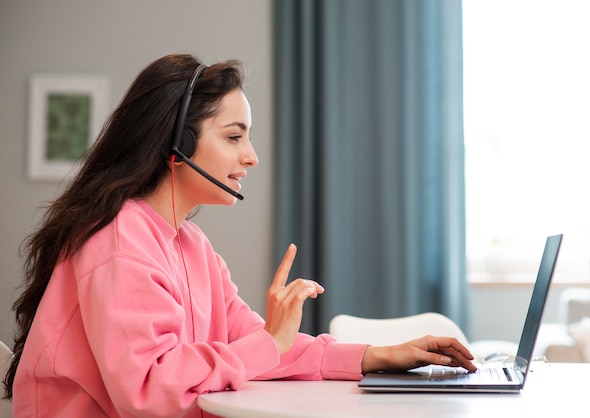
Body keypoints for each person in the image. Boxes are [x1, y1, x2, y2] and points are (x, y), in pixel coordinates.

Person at [4, 53, 476, 417]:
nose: (251, 157)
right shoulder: (119, 242)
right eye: (234, 137)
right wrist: (269, 342)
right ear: (177, 145)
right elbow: (150, 393)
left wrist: (379, 356)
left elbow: (259, 347)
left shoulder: (191, 246)